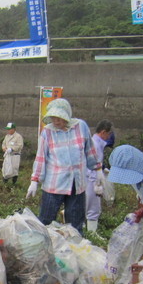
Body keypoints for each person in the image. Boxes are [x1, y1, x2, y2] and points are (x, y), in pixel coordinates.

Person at [26, 98, 102, 234]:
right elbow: (41, 157)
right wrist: (34, 180)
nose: (56, 121)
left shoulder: (81, 127)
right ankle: (43, 248)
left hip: (77, 184)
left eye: (59, 118)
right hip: (54, 184)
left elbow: (89, 150)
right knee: (45, 220)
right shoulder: (47, 132)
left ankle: (74, 249)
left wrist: (98, 169)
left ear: (66, 115)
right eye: (53, 118)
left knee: (75, 223)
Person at [85, 119, 114, 232]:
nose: (109, 137)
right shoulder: (95, 145)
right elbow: (92, 166)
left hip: (90, 179)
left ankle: (89, 232)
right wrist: (96, 182)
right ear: (103, 132)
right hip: (91, 180)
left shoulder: (97, 144)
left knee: (90, 207)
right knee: (93, 208)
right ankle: (91, 234)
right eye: (109, 133)